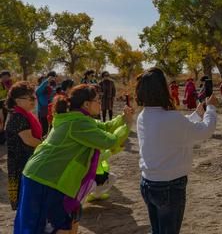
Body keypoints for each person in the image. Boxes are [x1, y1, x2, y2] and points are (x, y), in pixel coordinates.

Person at [14, 84, 133, 233]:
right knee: (50, 225)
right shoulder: (78, 122)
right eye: (98, 99)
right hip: (46, 177)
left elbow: (105, 127)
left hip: (45, 174)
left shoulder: (80, 118)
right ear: (86, 104)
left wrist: (122, 118)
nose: (100, 102)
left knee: (60, 222)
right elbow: (109, 141)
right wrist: (127, 124)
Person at [136, 68, 217, 234]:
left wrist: (197, 114)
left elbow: (175, 127)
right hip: (169, 186)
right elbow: (205, 131)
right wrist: (212, 109)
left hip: (148, 183)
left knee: (157, 230)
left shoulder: (143, 115)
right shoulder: (171, 118)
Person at [5, 81, 42, 210]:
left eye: (34, 97)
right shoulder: (17, 117)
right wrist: (46, 144)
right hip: (21, 163)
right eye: (30, 98)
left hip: (26, 161)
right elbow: (29, 140)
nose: (33, 101)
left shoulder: (25, 115)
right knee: (26, 202)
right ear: (17, 100)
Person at [35, 71, 57, 136]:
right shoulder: (39, 89)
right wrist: (47, 81)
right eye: (43, 80)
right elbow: (37, 92)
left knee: (51, 127)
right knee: (43, 128)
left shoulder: (50, 88)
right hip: (42, 111)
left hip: (50, 110)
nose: (46, 82)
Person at [0, 70, 14, 145]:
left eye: (7, 77)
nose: (5, 78)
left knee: (5, 121)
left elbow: (11, 94)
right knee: (1, 121)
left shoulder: (10, 84)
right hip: (0, 104)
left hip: (6, 105)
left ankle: (3, 138)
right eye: (3, 77)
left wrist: (7, 86)